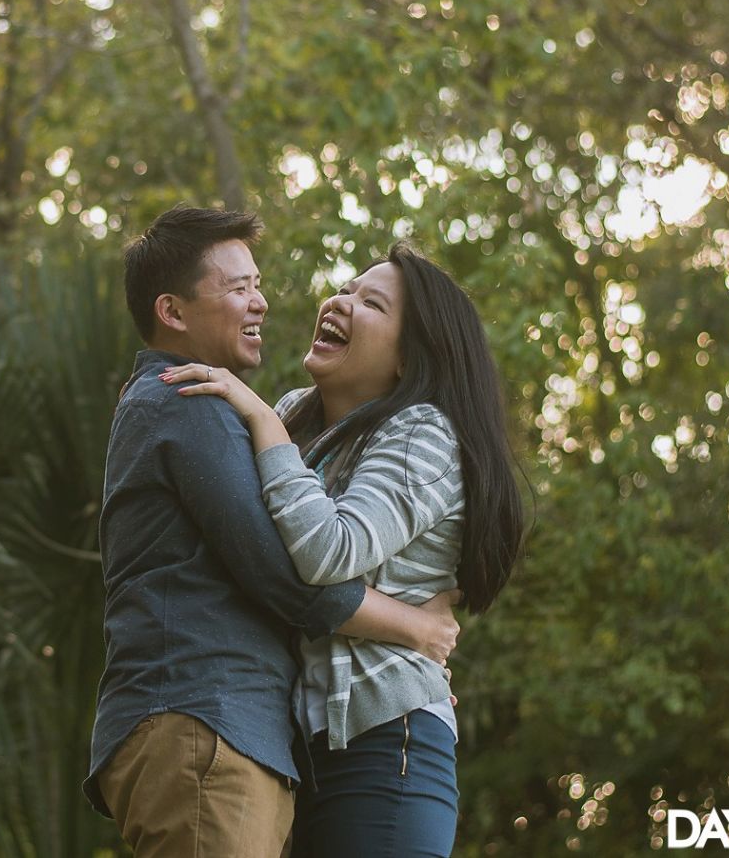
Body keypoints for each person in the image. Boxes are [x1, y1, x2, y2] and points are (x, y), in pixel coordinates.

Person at [88, 208, 462, 858]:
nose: (261, 301)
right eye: (239, 289)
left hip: (258, 733)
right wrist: (415, 628)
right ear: (174, 312)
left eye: (257, 282)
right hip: (207, 722)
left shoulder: (239, 413)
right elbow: (290, 576)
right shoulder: (192, 404)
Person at [162, 243, 526, 858]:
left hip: (385, 744)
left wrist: (261, 419)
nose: (340, 302)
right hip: (296, 745)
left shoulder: (423, 433)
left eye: (371, 303)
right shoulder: (293, 426)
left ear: (412, 356)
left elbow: (331, 550)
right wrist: (411, 626)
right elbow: (254, 570)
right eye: (348, 289)